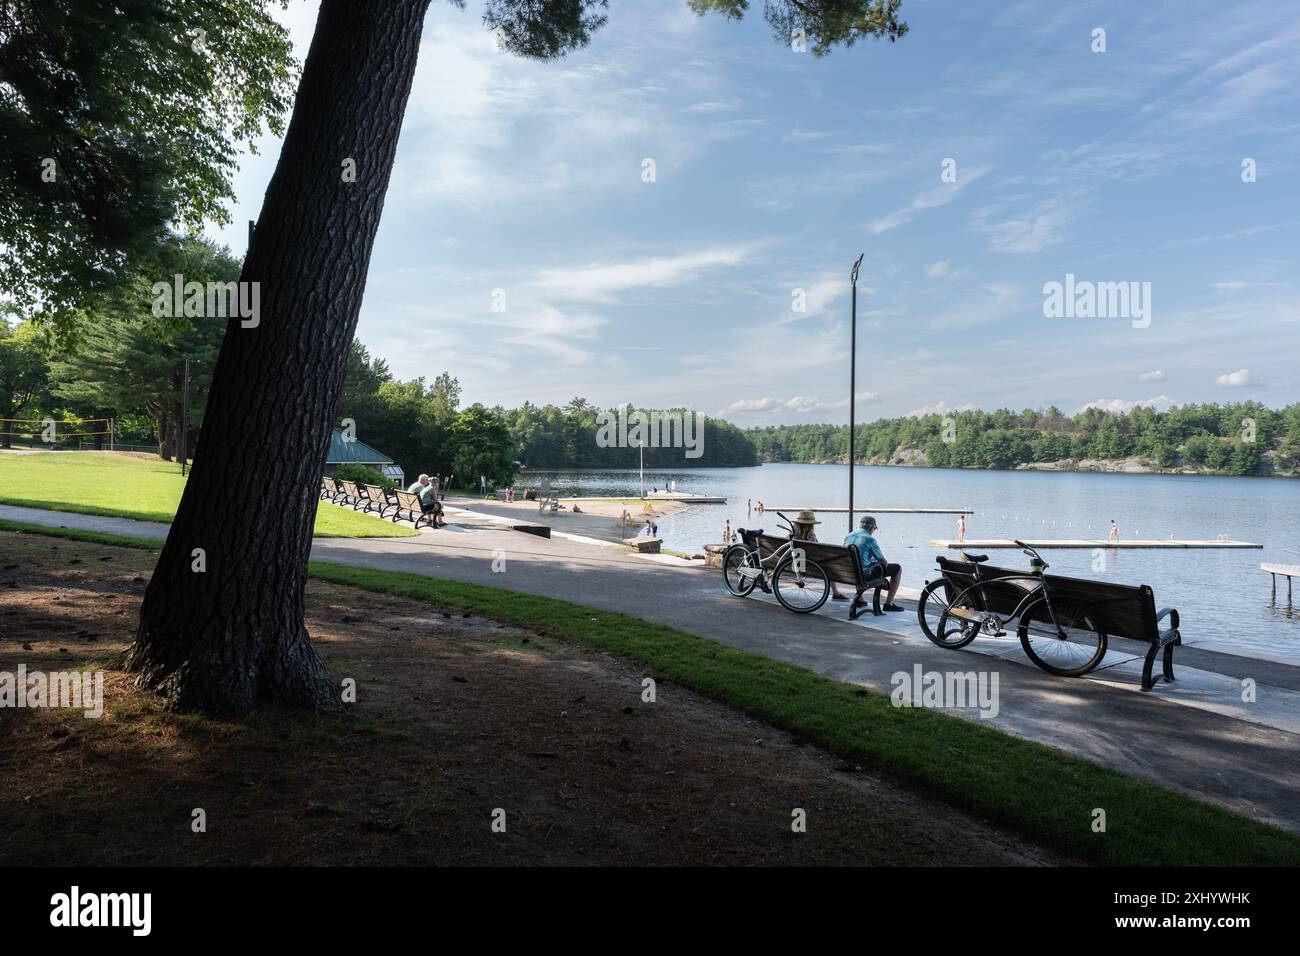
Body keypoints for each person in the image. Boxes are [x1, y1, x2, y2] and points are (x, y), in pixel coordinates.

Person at [843, 515, 902, 611]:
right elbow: (883, 561)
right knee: (897, 569)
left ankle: (860, 600)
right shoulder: (869, 539)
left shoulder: (849, 536)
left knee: (857, 564)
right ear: (871, 527)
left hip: (849, 572)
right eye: (874, 529)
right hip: (864, 574)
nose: (874, 531)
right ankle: (889, 604)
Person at [790, 509, 845, 601]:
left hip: (792, 564)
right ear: (811, 525)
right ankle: (836, 593)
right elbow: (817, 552)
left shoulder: (791, 536)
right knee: (830, 568)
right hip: (808, 566)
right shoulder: (811, 536)